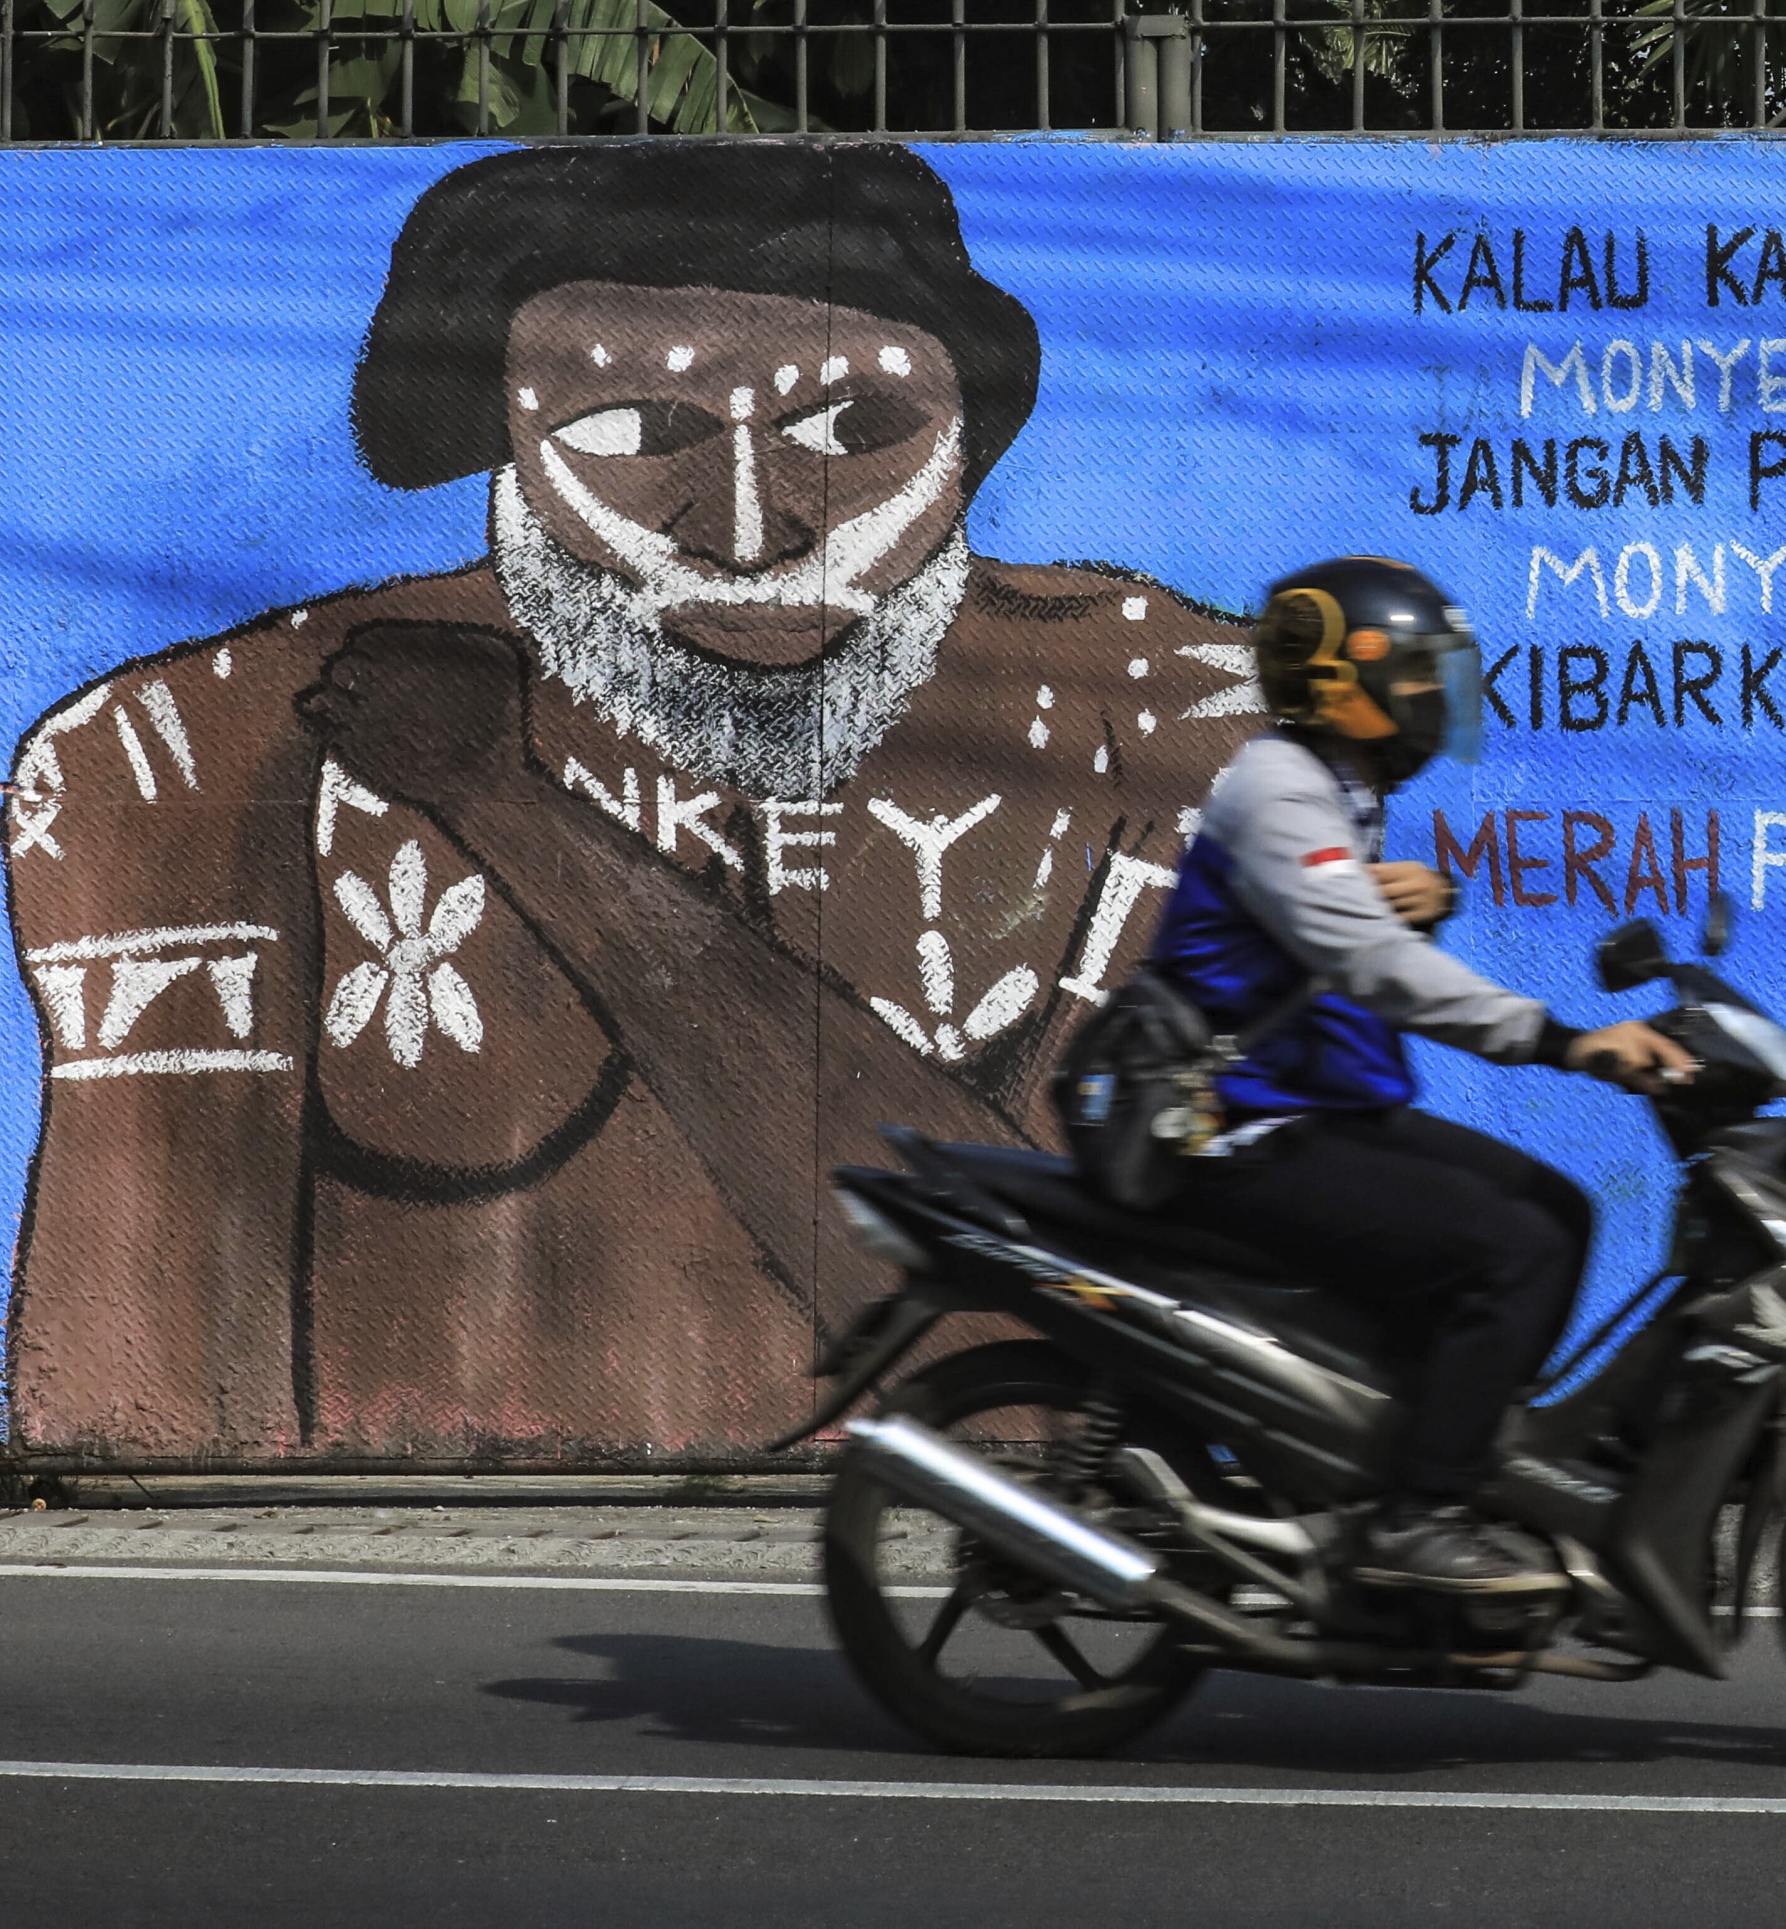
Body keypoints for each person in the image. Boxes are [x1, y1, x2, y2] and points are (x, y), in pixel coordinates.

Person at [6, 142, 1253, 1462]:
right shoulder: (186, 752)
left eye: (850, 430)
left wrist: (509, 809)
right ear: (507, 440)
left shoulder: (1164, 723)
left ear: (967, 427)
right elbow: (135, 1407)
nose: (752, 527)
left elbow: (1038, 1353)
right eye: (638, 431)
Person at [1147, 554, 1694, 1592]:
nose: (1433, 700)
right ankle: (1417, 1516)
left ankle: (1453, 1451)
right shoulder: (1279, 788)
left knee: (1558, 1209)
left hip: (1323, 1114)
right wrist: (1565, 1040)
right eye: (1412, 677)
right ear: (1337, 685)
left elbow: (1329, 931)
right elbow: (1373, 965)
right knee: (1514, 1249)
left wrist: (1402, 897)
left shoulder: (1334, 791)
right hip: (1242, 1130)